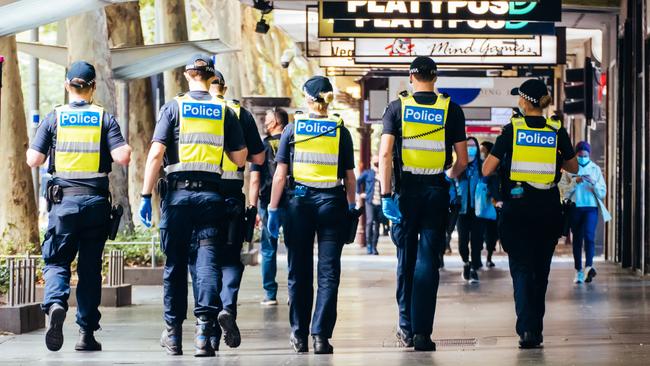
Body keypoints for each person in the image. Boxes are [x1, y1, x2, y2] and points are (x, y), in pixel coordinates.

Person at [138, 55, 248, 357]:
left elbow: (156, 153)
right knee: (208, 262)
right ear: (211, 77)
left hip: (177, 197)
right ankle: (203, 333)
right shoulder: (224, 111)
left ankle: (173, 335)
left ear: (187, 75)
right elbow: (240, 159)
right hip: (212, 197)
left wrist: (146, 195)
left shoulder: (173, 107)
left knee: (175, 264)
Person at [26, 61, 132, 352]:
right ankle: (86, 334)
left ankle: (57, 304)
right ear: (93, 87)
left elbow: (33, 160)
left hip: (63, 204)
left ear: (66, 86)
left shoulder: (54, 118)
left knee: (57, 261)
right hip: (96, 204)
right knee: (90, 268)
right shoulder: (103, 118)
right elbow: (122, 156)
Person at [379, 56, 468, 351]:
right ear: (436, 77)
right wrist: (448, 176)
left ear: (411, 77)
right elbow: (462, 161)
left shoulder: (397, 108)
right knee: (429, 262)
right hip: (436, 191)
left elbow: (385, 156)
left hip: (406, 192)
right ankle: (422, 333)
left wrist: (386, 195)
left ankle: (405, 327)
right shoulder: (450, 109)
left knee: (406, 260)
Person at [482, 79, 578, 349]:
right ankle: (535, 328)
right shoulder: (556, 130)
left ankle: (527, 331)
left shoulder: (512, 129)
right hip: (547, 208)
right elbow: (573, 167)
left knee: (522, 269)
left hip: (518, 208)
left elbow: (487, 169)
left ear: (524, 101)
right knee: (541, 271)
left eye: (519, 98)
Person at [267, 76, 356, 354]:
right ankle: (321, 337)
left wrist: (272, 209)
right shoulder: (341, 130)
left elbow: (281, 175)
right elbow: (350, 178)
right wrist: (352, 208)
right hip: (332, 204)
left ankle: (300, 335)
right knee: (329, 274)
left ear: (307, 98)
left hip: (299, 205)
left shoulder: (292, 130)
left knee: (299, 271)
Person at [186, 69, 265, 352]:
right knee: (230, 258)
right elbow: (258, 157)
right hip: (231, 195)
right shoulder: (237, 113)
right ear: (224, 86)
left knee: (201, 260)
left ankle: (205, 324)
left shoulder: (185, 108)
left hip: (196, 193)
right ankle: (227, 308)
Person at [250, 107, 289, 306]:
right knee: (295, 249)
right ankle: (294, 292)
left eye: (267, 119)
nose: (264, 122)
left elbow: (255, 180)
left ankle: (270, 294)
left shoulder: (261, 147)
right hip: (292, 203)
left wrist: (253, 206)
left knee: (268, 250)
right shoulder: (294, 143)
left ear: (275, 122)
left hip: (267, 204)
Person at [559, 141, 606, 284]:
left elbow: (602, 192)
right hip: (575, 208)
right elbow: (563, 191)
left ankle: (588, 267)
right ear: (576, 155)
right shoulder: (568, 169)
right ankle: (578, 270)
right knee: (577, 240)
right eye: (580, 155)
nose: (583, 158)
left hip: (591, 208)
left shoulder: (595, 169)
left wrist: (594, 183)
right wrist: (575, 182)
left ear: (589, 155)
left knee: (590, 237)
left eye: (585, 155)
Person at [454, 136, 484, 283]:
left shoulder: (482, 166)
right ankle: (466, 262)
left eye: (473, 146)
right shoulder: (459, 166)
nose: (471, 149)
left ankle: (473, 269)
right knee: (462, 242)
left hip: (478, 210)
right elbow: (452, 184)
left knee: (477, 241)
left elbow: (490, 183)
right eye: (468, 146)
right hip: (462, 210)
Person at [480, 140, 501, 268]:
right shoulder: (478, 164)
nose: (481, 152)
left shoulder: (495, 165)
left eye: (483, 150)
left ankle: (489, 257)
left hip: (493, 203)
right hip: (482, 203)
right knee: (483, 232)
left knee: (491, 232)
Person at [356, 155, 382, 255]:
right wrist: (360, 193)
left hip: (380, 202)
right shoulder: (368, 173)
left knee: (377, 224)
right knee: (370, 222)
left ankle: (374, 246)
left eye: (378, 160)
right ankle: (369, 246)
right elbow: (358, 181)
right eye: (375, 160)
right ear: (372, 161)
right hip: (370, 201)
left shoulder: (383, 173)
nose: (376, 162)